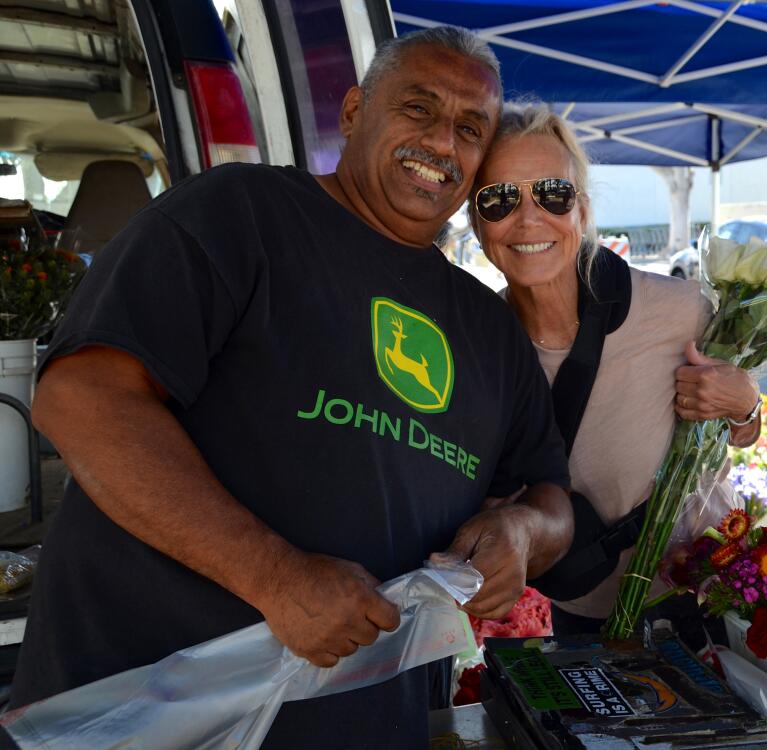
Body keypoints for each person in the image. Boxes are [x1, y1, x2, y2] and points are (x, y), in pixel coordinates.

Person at [9, 27, 575, 747]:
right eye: (418, 109)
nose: (441, 143)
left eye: (469, 129)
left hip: (367, 725)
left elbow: (550, 497)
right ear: (351, 112)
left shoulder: (490, 330)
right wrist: (274, 575)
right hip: (143, 713)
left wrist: (523, 533)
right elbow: (82, 398)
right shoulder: (239, 212)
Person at [468, 103, 762, 640]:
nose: (529, 219)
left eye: (552, 194)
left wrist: (745, 402)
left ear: (581, 210)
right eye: (499, 199)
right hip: (586, 610)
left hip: (712, 592)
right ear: (475, 220)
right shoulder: (476, 346)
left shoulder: (682, 309)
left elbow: (743, 429)